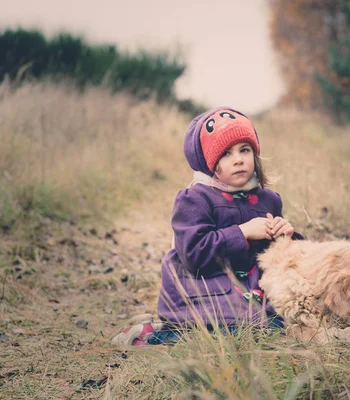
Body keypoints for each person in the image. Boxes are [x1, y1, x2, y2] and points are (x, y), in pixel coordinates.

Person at [111, 107, 303, 346]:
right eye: (226, 154)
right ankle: (151, 336)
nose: (239, 159)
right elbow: (193, 254)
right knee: (233, 335)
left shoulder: (269, 199)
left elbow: (281, 259)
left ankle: (167, 326)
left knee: (276, 327)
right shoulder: (195, 199)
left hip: (254, 296)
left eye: (245, 150)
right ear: (210, 163)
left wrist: (287, 235)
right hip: (205, 293)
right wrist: (242, 232)